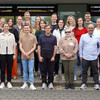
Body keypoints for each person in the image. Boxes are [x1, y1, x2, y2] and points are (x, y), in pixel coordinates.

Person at [79, 24, 100, 90]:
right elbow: (80, 46)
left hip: (94, 57)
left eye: (92, 28)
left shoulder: (97, 37)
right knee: (84, 71)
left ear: (94, 29)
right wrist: (81, 55)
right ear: (87, 29)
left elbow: (99, 46)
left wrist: (97, 53)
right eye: (89, 28)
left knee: (95, 71)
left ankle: (96, 84)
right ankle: (84, 83)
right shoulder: (83, 36)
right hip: (85, 57)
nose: (90, 29)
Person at [38, 24, 57, 89]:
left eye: (49, 28)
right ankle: (44, 83)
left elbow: (55, 47)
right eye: (46, 28)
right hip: (43, 53)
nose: (47, 29)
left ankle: (50, 83)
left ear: (51, 29)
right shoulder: (41, 37)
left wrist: (53, 56)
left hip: (51, 54)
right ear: (44, 29)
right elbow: (39, 47)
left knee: (51, 70)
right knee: (43, 70)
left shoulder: (54, 37)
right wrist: (39, 56)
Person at [19, 25, 37, 90]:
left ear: (30, 29)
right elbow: (20, 46)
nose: (26, 29)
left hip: (31, 56)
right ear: (23, 29)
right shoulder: (21, 37)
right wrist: (24, 53)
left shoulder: (34, 37)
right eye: (25, 28)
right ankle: (25, 83)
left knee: (30, 70)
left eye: (27, 28)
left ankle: (31, 84)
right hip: (23, 57)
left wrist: (28, 53)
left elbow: (34, 47)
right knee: (25, 70)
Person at [0, 23, 16, 89]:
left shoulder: (12, 35)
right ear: (3, 27)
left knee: (9, 69)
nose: (6, 27)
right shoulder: (0, 35)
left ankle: (9, 82)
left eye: (7, 26)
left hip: (10, 53)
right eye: (5, 26)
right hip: (2, 53)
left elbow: (14, 45)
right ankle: (2, 82)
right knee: (2, 69)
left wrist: (14, 54)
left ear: (8, 27)